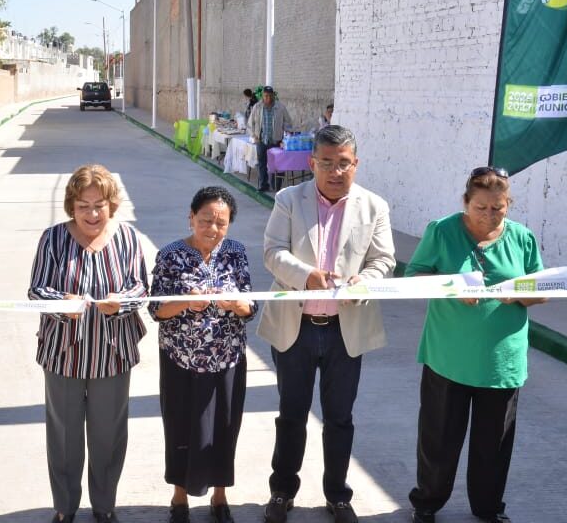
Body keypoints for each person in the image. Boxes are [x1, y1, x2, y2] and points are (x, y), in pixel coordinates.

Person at [259, 125, 395, 523]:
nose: (336, 172)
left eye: (344, 164)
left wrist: (365, 282)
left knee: (339, 417)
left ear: (356, 163)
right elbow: (272, 251)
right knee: (292, 413)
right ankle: (282, 491)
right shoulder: (288, 199)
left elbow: (383, 261)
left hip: (344, 332)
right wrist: (304, 274)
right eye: (327, 163)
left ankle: (338, 495)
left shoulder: (375, 206)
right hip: (295, 328)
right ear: (311, 162)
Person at [406, 167, 545, 523]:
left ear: (508, 204)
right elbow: (413, 278)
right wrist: (452, 285)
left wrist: (520, 293)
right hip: (448, 357)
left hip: (501, 363)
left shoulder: (523, 238)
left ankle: (488, 509)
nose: (488, 215)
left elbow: (541, 290)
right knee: (438, 441)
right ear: (466, 202)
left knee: (494, 446)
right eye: (480, 207)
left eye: (497, 208)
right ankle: (427, 503)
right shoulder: (442, 230)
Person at [28, 164, 149, 523]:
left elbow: (141, 287)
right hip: (64, 354)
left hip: (111, 353)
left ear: (112, 204)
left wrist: (120, 302)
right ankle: (65, 508)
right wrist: (64, 304)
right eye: (83, 206)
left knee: (108, 435)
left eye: (99, 205)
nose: (92, 214)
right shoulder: (52, 239)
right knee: (63, 435)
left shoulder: (127, 238)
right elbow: (36, 289)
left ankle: (104, 505)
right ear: (72, 206)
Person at [149, 186, 256, 523]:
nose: (213, 228)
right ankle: (179, 497)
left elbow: (251, 304)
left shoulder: (236, 252)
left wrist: (237, 304)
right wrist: (186, 302)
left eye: (221, 223)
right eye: (206, 220)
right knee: (181, 426)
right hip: (180, 357)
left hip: (227, 357)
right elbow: (156, 310)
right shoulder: (169, 254)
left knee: (225, 426)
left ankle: (220, 497)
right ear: (191, 217)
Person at [248, 86, 292, 193]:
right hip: (261, 141)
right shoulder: (257, 107)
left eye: (270, 95)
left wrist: (285, 136)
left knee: (278, 164)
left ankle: (275, 186)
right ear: (262, 96)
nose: (268, 98)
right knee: (262, 164)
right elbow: (250, 123)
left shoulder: (280, 107)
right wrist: (254, 135)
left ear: (273, 95)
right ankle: (264, 185)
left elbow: (288, 122)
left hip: (276, 141)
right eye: (265, 95)